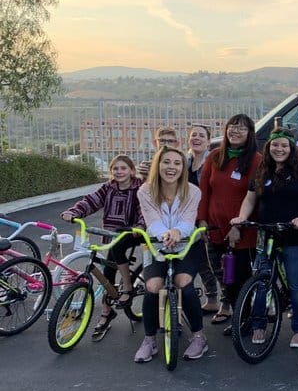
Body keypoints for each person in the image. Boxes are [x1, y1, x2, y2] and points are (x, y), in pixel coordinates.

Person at [231, 127, 298, 350]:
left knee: (296, 285)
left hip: (296, 236)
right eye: (275, 145)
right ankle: (258, 324)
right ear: (269, 147)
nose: (279, 149)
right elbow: (250, 199)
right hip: (267, 233)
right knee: (262, 280)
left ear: (291, 148)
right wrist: (241, 218)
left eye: (283, 145)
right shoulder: (263, 170)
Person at [134, 146, 209, 362]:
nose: (171, 167)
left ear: (183, 168)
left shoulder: (193, 191)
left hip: (187, 245)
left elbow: (187, 221)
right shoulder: (145, 191)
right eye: (166, 162)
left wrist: (177, 231)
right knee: (152, 287)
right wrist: (165, 234)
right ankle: (149, 340)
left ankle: (199, 337)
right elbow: (152, 220)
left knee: (183, 283)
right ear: (158, 165)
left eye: (177, 163)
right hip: (156, 245)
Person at [60, 154, 146, 341]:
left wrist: (139, 225)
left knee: (117, 250)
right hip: (112, 234)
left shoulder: (139, 187)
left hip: (133, 233)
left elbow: (144, 209)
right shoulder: (109, 187)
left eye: (123, 168)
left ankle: (128, 287)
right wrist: (73, 212)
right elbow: (91, 200)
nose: (119, 172)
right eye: (115, 168)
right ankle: (107, 312)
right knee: (107, 271)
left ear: (131, 170)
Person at [197, 114, 262, 327]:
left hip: (240, 232)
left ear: (250, 133)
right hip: (215, 228)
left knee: (240, 278)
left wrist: (240, 226)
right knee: (223, 276)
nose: (235, 131)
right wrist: (202, 221)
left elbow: (254, 198)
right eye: (232, 126)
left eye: (242, 128)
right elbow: (204, 191)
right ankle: (238, 316)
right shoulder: (215, 156)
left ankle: (245, 319)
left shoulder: (256, 160)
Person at [186, 123, 219, 312]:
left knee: (214, 260)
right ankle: (212, 298)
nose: (196, 138)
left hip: (207, 217)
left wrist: (205, 218)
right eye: (193, 135)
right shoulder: (185, 162)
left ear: (208, 142)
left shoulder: (212, 163)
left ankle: (225, 303)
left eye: (201, 136)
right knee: (200, 261)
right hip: (189, 219)